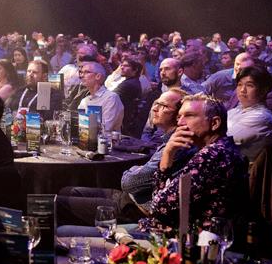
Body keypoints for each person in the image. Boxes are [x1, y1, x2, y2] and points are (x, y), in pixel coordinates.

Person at [56, 89, 190, 226]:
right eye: (157, 103)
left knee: (57, 204)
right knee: (66, 191)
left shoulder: (176, 146)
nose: (155, 108)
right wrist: (137, 169)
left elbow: (130, 183)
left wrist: (133, 170)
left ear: (178, 115)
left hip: (137, 209)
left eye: (164, 106)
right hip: (132, 197)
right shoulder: (167, 139)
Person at [141, 94, 248, 237]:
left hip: (194, 241)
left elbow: (158, 207)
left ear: (214, 123)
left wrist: (167, 154)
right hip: (198, 234)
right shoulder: (224, 148)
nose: (180, 123)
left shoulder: (211, 156)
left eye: (189, 116)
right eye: (179, 117)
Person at [227, 65, 272, 161]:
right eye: (240, 84)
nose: (242, 90)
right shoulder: (239, 108)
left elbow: (224, 139)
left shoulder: (262, 117)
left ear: (263, 90)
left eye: (249, 85)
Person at [76, 62, 125, 133]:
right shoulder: (84, 101)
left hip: (106, 139)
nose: (81, 76)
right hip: (85, 138)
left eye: (86, 72)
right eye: (81, 72)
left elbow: (107, 128)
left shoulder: (111, 98)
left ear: (98, 76)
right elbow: (79, 126)